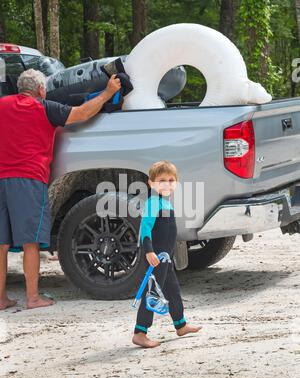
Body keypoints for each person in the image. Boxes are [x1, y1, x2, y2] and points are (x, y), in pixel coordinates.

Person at [0, 69, 121, 310]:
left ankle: (1, 299)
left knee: (1, 244)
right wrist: (108, 93)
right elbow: (82, 113)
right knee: (30, 243)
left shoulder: (2, 104)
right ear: (41, 90)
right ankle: (33, 298)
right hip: (28, 179)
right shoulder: (45, 108)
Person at [132, 161, 202, 348]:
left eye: (171, 180)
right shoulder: (153, 202)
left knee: (173, 291)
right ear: (151, 183)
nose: (167, 184)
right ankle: (140, 332)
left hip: (166, 257)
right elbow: (145, 229)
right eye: (162, 180)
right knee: (152, 293)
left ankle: (181, 324)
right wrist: (149, 251)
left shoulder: (166, 203)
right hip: (156, 257)